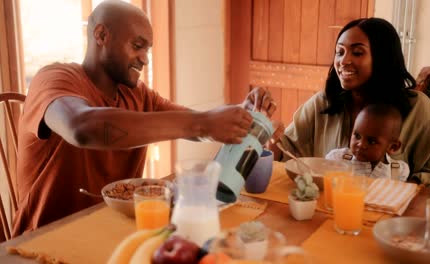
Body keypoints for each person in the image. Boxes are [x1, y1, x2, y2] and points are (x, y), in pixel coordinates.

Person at [13, 0, 276, 236]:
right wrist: (204, 122)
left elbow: (197, 125)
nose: (145, 59)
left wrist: (241, 115)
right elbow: (81, 127)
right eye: (137, 46)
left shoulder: (138, 95)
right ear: (101, 35)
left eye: (147, 49)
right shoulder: (54, 79)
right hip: (46, 239)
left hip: (111, 231)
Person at [271, 18, 430, 186]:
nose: (343, 61)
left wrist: (396, 189)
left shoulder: (418, 108)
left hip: (393, 209)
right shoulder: (323, 103)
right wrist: (267, 131)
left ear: (382, 57)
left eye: (357, 52)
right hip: (326, 206)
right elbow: (284, 155)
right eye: (340, 52)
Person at [325, 104, 410, 181]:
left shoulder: (398, 171)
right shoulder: (337, 159)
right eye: (357, 136)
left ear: (393, 147)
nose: (361, 144)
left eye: (371, 141)